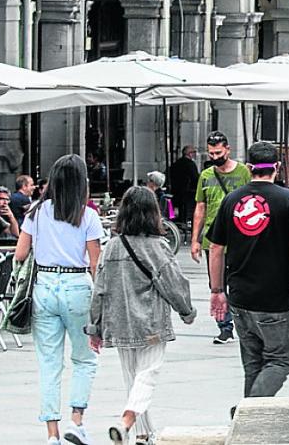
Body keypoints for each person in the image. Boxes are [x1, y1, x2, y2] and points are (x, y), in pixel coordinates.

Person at [207, 140, 289, 398]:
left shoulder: (232, 200)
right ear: (277, 167)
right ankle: (250, 409)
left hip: (241, 297)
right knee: (279, 360)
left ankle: (247, 425)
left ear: (249, 167)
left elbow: (215, 248)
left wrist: (216, 290)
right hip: (275, 298)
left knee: (253, 364)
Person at [87, 186, 195, 444]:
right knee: (148, 374)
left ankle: (142, 435)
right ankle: (126, 420)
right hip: (151, 322)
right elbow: (173, 283)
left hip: (119, 322)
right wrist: (186, 311)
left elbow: (99, 288)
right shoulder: (157, 246)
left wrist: (95, 326)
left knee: (132, 378)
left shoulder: (112, 246)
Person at [14, 155, 104, 445]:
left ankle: (52, 434)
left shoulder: (35, 213)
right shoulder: (87, 215)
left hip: (44, 286)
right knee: (85, 359)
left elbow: (19, 254)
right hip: (78, 285)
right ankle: (76, 422)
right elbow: (95, 264)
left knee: (49, 363)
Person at [191, 131, 252, 344]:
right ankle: (224, 326)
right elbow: (200, 207)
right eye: (211, 153)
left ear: (228, 149)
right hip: (212, 238)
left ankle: (241, 322)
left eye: (218, 152)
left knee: (239, 282)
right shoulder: (206, 176)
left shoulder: (243, 172)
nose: (215, 157)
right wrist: (195, 239)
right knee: (216, 284)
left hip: (239, 238)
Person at [166, 146, 199, 227]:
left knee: (177, 207)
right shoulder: (190, 164)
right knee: (186, 209)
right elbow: (195, 178)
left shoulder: (176, 163)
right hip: (187, 191)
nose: (195, 154)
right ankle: (184, 222)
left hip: (176, 189)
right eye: (194, 152)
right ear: (189, 154)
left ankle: (176, 220)